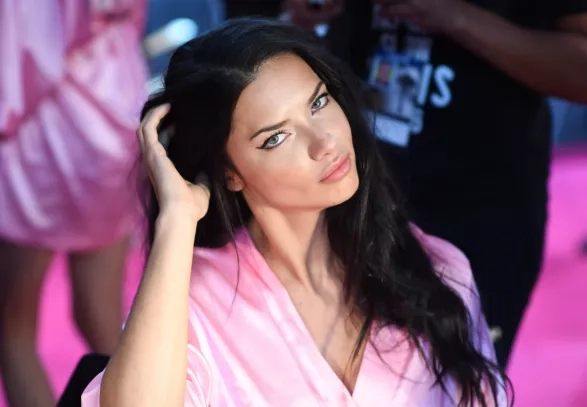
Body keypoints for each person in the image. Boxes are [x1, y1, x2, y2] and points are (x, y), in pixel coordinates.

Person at [81, 18, 510, 406]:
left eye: (318, 103)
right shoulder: (194, 301)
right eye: (276, 137)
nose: (324, 143)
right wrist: (176, 218)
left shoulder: (437, 269)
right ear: (230, 172)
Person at [284, 0, 587, 366]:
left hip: (477, 213)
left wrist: (454, 15)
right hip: (351, 204)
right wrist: (304, 19)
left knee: (457, 379)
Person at [0, 1, 147, 406]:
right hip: (115, 105)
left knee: (13, 330)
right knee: (103, 319)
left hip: (42, 126)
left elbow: (29, 53)